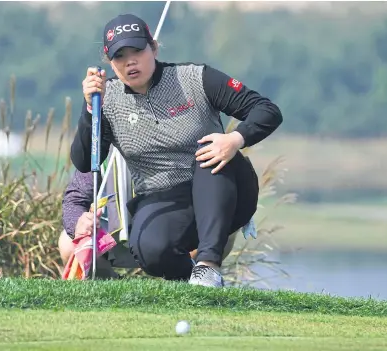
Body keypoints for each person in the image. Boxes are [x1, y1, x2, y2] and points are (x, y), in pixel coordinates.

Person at [70, 14, 283, 287]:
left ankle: (208, 266)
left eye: (137, 50)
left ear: (154, 48)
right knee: (152, 251)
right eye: (120, 56)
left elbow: (266, 110)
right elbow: (86, 162)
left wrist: (234, 139)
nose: (130, 61)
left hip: (225, 190)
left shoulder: (195, 78)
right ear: (109, 61)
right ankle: (195, 284)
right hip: (164, 199)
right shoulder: (106, 99)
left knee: (210, 148)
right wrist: (90, 108)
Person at [59, 164, 239, 279]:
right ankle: (110, 286)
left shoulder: (178, 142)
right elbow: (75, 199)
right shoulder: (102, 147)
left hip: (171, 239)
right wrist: (79, 221)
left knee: (222, 221)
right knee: (68, 243)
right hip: (114, 239)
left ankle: (192, 280)